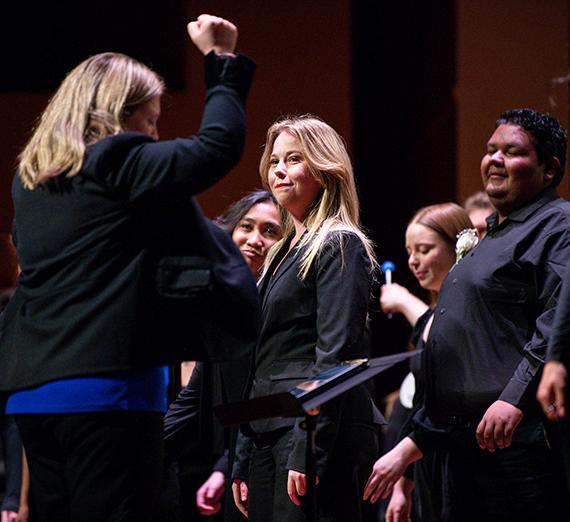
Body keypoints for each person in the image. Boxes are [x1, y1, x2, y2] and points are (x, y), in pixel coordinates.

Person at [0, 15, 256, 522]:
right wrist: (221, 58)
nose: (155, 135)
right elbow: (216, 148)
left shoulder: (31, 182)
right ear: (119, 114)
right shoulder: (116, 159)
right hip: (108, 393)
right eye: (151, 121)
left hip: (34, 394)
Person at [364, 108, 570, 522]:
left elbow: (557, 319)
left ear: (549, 169)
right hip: (461, 442)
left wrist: (513, 398)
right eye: (490, 150)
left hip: (515, 440)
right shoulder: (492, 234)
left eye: (512, 152)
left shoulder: (557, 226)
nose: (495, 159)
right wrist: (416, 441)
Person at [231, 115, 383, 521]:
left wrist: (309, 448)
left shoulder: (339, 243)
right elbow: (262, 360)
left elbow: (336, 354)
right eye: (274, 160)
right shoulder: (281, 253)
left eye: (293, 159)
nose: (279, 170)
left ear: (324, 169)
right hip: (267, 432)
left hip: (310, 433)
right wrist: (243, 454)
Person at [162, 190, 281, 521]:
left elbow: (260, 404)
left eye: (270, 231)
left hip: (264, 461)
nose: (254, 240)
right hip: (225, 463)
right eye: (247, 226)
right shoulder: (223, 309)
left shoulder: (274, 310)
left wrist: (223, 467)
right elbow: (192, 397)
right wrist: (140, 452)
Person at [379, 203, 473, 522]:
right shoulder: (434, 315)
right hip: (430, 460)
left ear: (457, 248)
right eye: (410, 251)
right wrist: (404, 485)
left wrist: (403, 300)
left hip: (462, 461)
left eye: (424, 249)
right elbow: (423, 404)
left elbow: (452, 401)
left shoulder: (469, 312)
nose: (413, 261)